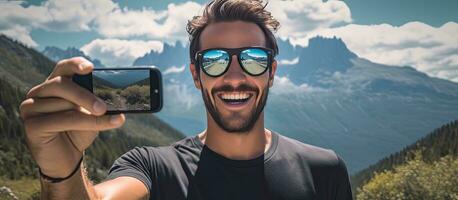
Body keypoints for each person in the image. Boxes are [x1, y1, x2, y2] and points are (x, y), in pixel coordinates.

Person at [20, 0, 353, 199]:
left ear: (272, 72)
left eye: (253, 58)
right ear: (196, 75)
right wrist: (62, 174)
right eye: (215, 60)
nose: (235, 76)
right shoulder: (152, 167)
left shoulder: (324, 169)